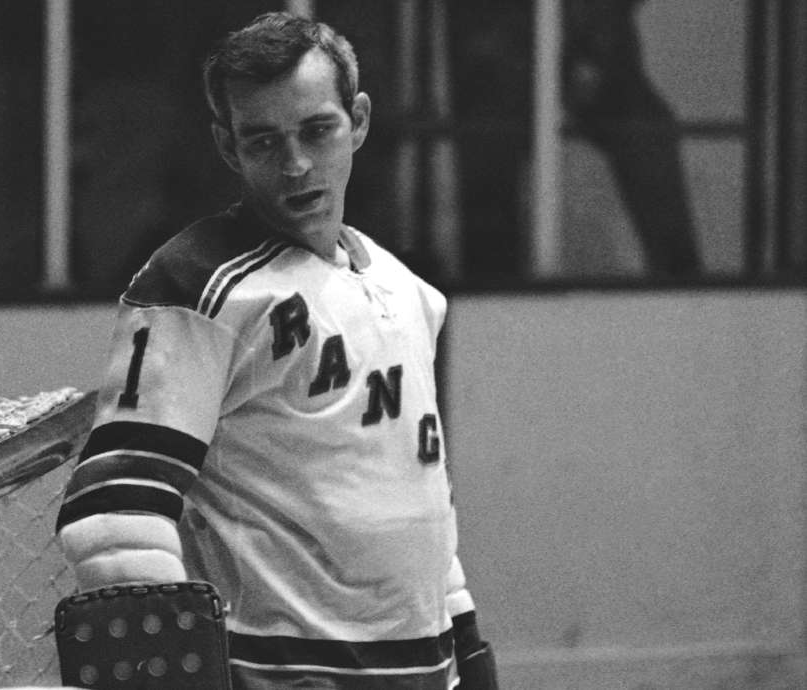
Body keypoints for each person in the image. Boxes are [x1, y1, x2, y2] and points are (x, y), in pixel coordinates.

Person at [56, 12, 498, 689]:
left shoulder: (408, 292)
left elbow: (420, 500)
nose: (294, 165)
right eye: (263, 141)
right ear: (228, 149)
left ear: (359, 120)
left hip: (421, 668)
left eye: (316, 131)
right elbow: (114, 512)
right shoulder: (194, 281)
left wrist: (466, 648)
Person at [448, 0, 701, 279]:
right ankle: (490, 286)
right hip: (495, 42)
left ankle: (683, 281)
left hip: (588, 32)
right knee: (488, 134)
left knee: (644, 129)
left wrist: (594, 49)